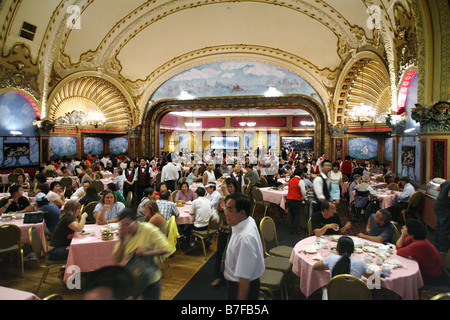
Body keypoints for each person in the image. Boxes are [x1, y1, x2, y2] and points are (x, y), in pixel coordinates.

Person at [112, 208, 171, 300]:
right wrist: (121, 241)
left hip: (150, 278)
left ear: (136, 221)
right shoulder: (124, 234)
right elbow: (116, 260)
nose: (125, 228)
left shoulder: (149, 229)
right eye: (122, 225)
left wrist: (146, 253)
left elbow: (167, 248)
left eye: (127, 225)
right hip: (132, 275)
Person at [223, 193, 265, 300]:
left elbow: (244, 278)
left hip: (242, 286)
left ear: (242, 213)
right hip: (239, 281)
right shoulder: (247, 220)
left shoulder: (245, 239)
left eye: (229, 210)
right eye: (226, 208)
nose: (226, 213)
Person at [396, 219, 446, 286]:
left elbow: (399, 252)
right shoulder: (414, 237)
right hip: (427, 269)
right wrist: (403, 235)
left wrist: (402, 236)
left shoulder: (419, 244)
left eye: (406, 227)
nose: (403, 227)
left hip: (432, 276)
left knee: (401, 273)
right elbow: (398, 246)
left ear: (411, 231)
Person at [185, 187, 212, 252]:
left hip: (199, 227)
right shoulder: (208, 200)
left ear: (197, 194)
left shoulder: (195, 201)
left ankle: (190, 246)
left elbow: (191, 212)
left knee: (186, 230)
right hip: (208, 226)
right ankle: (204, 241)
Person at [286, 168, 307, 235]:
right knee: (297, 215)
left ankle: (290, 230)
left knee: (292, 215)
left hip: (289, 199)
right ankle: (296, 230)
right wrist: (304, 198)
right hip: (296, 200)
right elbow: (303, 192)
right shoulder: (300, 181)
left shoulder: (291, 180)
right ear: (301, 174)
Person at [433, 179, 450, 253]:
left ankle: (436, 245)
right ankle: (443, 248)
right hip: (445, 206)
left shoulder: (447, 181)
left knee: (438, 226)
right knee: (445, 227)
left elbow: (438, 188)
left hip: (438, 204)